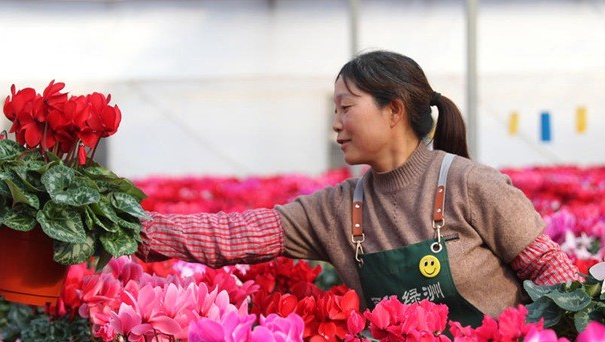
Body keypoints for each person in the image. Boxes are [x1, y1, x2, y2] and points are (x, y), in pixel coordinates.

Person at [137, 50, 581, 327]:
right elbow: (234, 236)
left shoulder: (471, 184)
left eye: (346, 107)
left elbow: (551, 270)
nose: (336, 124)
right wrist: (129, 227)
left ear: (394, 111)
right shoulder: (335, 210)